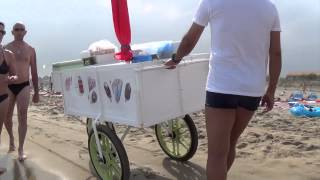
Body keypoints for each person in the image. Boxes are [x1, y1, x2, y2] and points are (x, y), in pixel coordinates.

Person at [165, 0, 282, 179]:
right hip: (252, 90)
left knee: (217, 154)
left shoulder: (211, 2)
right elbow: (275, 53)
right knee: (230, 143)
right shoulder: (269, 7)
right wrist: (271, 90)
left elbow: (189, 41)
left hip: (222, 86)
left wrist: (176, 58)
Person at [5, 22, 39, 161]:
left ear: (25, 32)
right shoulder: (5, 48)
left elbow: (34, 72)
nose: (19, 32)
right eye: (16, 29)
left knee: (22, 116)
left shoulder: (30, 49)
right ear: (12, 32)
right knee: (7, 117)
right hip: (8, 85)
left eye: (21, 30)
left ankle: (20, 149)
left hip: (24, 85)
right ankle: (12, 139)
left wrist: (37, 91)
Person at [0, 21, 18, 174]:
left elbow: (15, 73)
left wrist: (12, 78)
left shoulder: (8, 55)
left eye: (2, 32)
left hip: (3, 96)